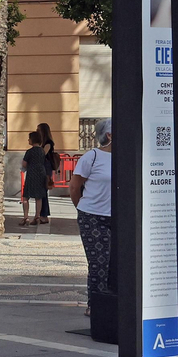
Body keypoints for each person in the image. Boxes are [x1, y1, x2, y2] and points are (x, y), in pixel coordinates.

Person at [69, 118, 113, 311]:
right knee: (98, 263)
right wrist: (83, 209)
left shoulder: (127, 155)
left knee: (118, 262)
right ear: (109, 135)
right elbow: (74, 187)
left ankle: (113, 301)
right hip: (93, 217)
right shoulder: (92, 157)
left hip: (120, 217)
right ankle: (95, 305)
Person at [20, 131, 48, 226]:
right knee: (38, 197)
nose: (28, 140)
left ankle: (26, 217)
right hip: (41, 173)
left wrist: (26, 166)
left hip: (32, 173)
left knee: (26, 196)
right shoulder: (42, 151)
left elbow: (24, 164)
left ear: (32, 140)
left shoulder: (30, 151)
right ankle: (37, 216)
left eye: (29, 138)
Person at [36, 122, 59, 224]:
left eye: (38, 130)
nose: (37, 132)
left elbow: (42, 154)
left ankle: (44, 215)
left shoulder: (48, 143)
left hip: (46, 167)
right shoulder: (42, 142)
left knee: (43, 191)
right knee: (42, 191)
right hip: (42, 167)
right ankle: (43, 214)